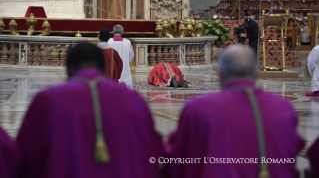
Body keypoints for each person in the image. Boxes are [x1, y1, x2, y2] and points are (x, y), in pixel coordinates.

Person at [16, 43, 163, 178]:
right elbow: (152, 152)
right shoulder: (133, 100)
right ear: (105, 68)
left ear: (67, 69)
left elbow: (25, 157)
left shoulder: (48, 101)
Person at [164, 45, 304, 178]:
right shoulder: (283, 109)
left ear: (219, 72)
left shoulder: (198, 108)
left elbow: (178, 161)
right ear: (257, 73)